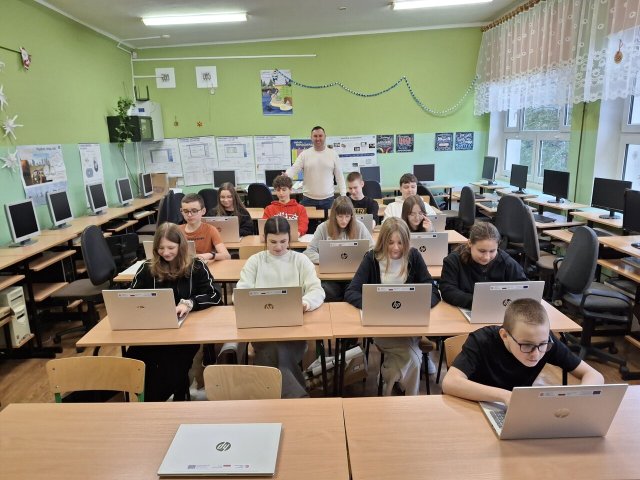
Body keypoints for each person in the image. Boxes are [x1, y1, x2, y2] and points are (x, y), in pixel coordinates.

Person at [442, 298, 604, 405]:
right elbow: (450, 382)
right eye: (526, 346)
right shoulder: (481, 340)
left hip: (514, 408)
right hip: (473, 404)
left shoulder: (546, 342)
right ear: (504, 335)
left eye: (542, 345)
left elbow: (594, 375)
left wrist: (578, 397)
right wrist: (506, 396)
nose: (536, 354)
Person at [126, 223, 222, 401]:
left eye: (171, 247)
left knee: (170, 366)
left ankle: (157, 400)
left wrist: (190, 303)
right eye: (161, 248)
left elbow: (214, 294)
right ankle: (147, 398)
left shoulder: (196, 266)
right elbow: (131, 297)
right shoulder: (147, 268)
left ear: (181, 246)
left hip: (185, 335)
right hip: (153, 332)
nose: (166, 252)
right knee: (133, 358)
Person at [344, 218, 441, 395]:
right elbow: (351, 291)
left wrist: (419, 306)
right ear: (383, 241)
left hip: (409, 326)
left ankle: (386, 381)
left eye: (400, 243)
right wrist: (375, 306)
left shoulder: (413, 256)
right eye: (390, 242)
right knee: (414, 358)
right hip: (381, 326)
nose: (396, 248)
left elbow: (433, 291)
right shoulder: (372, 258)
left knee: (410, 357)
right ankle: (408, 400)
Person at [235, 216, 325, 397]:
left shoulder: (300, 260)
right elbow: (240, 293)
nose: (278, 247)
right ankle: (297, 396)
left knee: (276, 351)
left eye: (283, 241)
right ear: (264, 239)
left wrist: (305, 303)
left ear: (289, 239)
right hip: (262, 328)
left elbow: (317, 290)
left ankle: (268, 396)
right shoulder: (255, 261)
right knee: (276, 350)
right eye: (273, 242)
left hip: (294, 328)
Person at [439, 221, 527, 308]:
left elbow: (524, 288)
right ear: (470, 243)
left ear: (498, 246)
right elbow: (447, 290)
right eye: (482, 251)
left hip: (499, 310)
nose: (487, 257)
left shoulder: (507, 262)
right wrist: (481, 302)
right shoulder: (453, 261)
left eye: (492, 251)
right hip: (466, 309)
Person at [303, 196, 373, 301]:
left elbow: (373, 250)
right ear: (334, 215)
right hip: (331, 277)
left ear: (352, 215)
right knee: (326, 291)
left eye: (347, 216)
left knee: (356, 291)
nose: (344, 221)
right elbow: (308, 252)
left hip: (354, 276)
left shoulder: (359, 226)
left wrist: (363, 261)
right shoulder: (323, 227)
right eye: (340, 216)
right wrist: (326, 260)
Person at [285, 125, 346, 210]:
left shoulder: (333, 154)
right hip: (308, 200)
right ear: (311, 138)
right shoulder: (304, 154)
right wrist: (286, 176)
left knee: (329, 220)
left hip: (328, 200)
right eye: (315, 136)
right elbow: (294, 168)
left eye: (320, 136)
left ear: (325, 137)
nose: (318, 139)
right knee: (308, 219)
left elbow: (339, 176)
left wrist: (343, 195)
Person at [179, 193, 231, 261]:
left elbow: (227, 256)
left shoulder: (211, 230)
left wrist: (210, 255)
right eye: (185, 211)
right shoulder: (177, 230)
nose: (189, 215)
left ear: (203, 211)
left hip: (204, 265)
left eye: (194, 211)